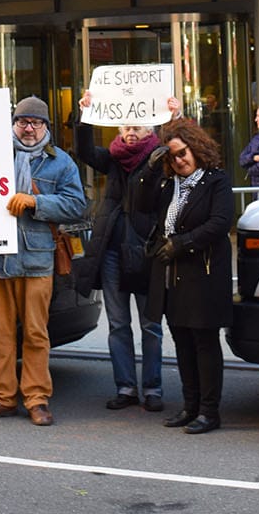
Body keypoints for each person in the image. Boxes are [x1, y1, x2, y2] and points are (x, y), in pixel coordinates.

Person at [0, 96, 87, 428]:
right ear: (13, 124)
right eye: (23, 122)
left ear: (46, 127)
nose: (29, 128)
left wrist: (36, 202)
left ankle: (37, 399)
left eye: (36, 123)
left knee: (36, 333)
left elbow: (76, 204)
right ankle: (2, 397)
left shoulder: (61, 163)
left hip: (37, 259)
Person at [137, 118, 233, 435]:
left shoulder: (216, 180)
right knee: (182, 342)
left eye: (183, 153)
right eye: (172, 156)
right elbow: (139, 205)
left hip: (203, 272)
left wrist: (182, 243)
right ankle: (190, 406)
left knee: (204, 342)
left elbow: (220, 223)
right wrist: (150, 170)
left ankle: (209, 411)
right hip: (173, 275)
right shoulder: (167, 183)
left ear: (196, 148)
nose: (179, 160)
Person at [73, 89, 164, 412]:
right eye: (125, 127)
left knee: (151, 324)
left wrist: (176, 116)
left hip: (146, 252)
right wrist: (84, 114)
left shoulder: (160, 158)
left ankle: (153, 388)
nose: (130, 132)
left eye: (137, 127)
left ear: (150, 131)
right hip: (112, 252)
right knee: (118, 324)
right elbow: (83, 149)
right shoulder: (112, 159)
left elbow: (185, 152)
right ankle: (125, 387)